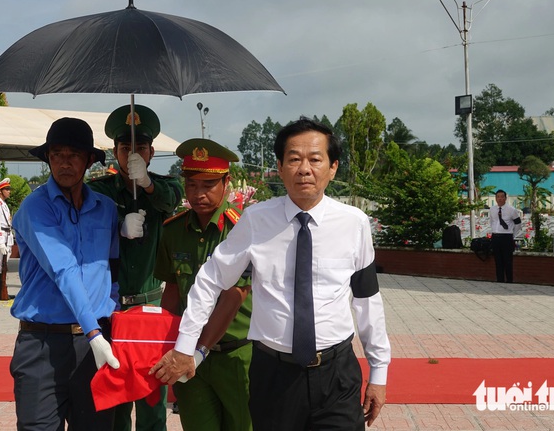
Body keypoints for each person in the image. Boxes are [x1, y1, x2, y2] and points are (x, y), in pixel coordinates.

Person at [151, 117, 391, 430]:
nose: (305, 169)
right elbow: (210, 280)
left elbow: (367, 299)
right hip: (274, 375)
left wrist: (379, 373)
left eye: (315, 159)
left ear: (332, 167)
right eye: (294, 159)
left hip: (336, 374)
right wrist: (184, 347)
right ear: (279, 167)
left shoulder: (354, 224)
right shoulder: (256, 221)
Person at [10, 117, 121, 430]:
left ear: (88, 160)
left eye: (73, 155)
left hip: (96, 343)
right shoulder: (35, 207)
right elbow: (64, 270)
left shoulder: (106, 208)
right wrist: (94, 332)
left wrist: (110, 315)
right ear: (48, 158)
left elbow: (113, 269)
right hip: (43, 344)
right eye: (56, 154)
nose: (64, 163)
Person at [89, 103, 183, 431]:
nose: (133, 153)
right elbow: (88, 220)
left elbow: (171, 198)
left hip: (149, 309)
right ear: (114, 151)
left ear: (152, 152)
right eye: (126, 147)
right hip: (111, 311)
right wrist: (116, 225)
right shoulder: (100, 189)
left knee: (152, 403)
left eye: (140, 147)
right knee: (116, 403)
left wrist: (146, 184)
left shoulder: (162, 185)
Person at [155, 138, 253, 431]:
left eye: (208, 185)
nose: (198, 194)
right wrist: (164, 345)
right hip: (188, 355)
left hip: (235, 356)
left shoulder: (241, 230)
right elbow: (171, 292)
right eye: (191, 184)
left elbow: (234, 296)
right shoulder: (173, 231)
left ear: (226, 183)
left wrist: (199, 351)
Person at [489, 189, 522, 283]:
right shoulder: (492, 209)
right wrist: (494, 231)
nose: (500, 199)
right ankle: (500, 280)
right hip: (496, 236)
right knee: (498, 260)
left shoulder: (511, 210)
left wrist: (512, 234)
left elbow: (518, 223)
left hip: (506, 237)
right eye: (498, 197)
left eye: (502, 197)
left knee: (507, 260)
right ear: (495, 198)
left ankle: (509, 280)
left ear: (505, 198)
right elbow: (492, 221)